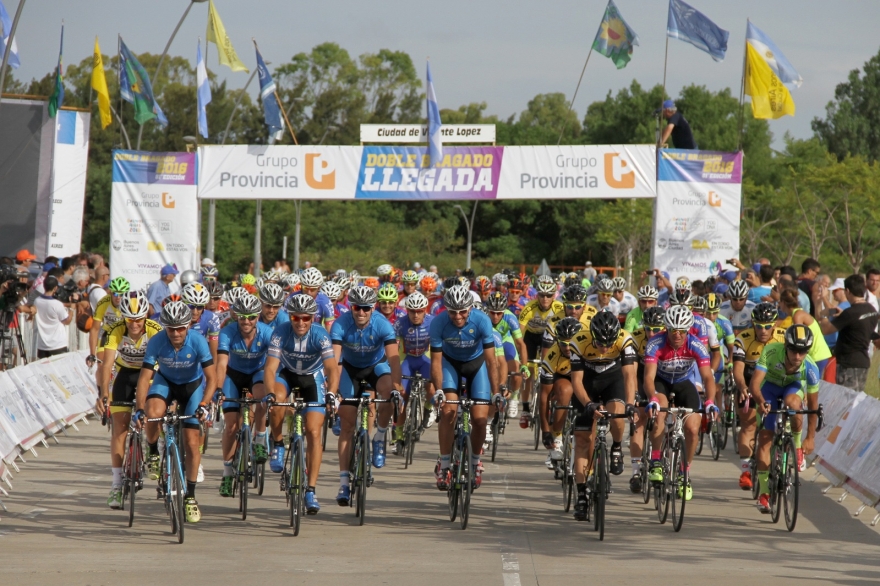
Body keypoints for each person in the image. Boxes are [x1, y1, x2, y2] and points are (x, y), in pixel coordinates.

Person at [134, 301, 216, 523]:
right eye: (171, 328)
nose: (176, 333)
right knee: (153, 412)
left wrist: (205, 404)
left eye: (181, 328)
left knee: (191, 442)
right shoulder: (157, 341)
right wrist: (139, 408)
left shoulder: (198, 341)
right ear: (165, 327)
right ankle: (152, 450)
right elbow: (144, 378)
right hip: (166, 382)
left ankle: (190, 496)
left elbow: (212, 378)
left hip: (192, 386)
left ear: (188, 325)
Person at [330, 285, 402, 505]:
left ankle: (379, 436)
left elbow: (394, 360)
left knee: (389, 393)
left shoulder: (382, 324)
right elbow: (334, 363)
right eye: (356, 308)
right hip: (350, 370)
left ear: (373, 308)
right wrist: (333, 392)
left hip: (376, 367)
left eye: (365, 308)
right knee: (347, 424)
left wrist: (398, 389)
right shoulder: (340, 324)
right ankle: (343, 483)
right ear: (350, 307)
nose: (360, 312)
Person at [643, 306, 718, 501]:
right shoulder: (655, 343)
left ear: (688, 330)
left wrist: (710, 402)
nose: (677, 334)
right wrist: (652, 396)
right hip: (661, 381)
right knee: (660, 408)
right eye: (673, 330)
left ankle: (684, 473)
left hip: (684, 382)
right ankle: (657, 460)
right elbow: (649, 378)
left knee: (693, 428)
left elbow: (708, 378)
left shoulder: (696, 345)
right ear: (666, 328)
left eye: (682, 331)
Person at [568, 312, 637, 521]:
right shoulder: (578, 342)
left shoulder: (625, 339)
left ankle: (616, 447)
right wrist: (588, 404)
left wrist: (632, 405)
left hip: (612, 380)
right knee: (582, 440)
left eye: (608, 343)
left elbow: (629, 376)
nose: (604, 348)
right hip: (587, 382)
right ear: (592, 335)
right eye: (599, 343)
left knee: (617, 414)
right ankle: (581, 495)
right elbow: (577, 381)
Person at [430, 285, 499, 491]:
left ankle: (475, 461)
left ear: (470, 308)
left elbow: (491, 361)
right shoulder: (439, 323)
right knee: (448, 411)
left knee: (479, 420)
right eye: (453, 311)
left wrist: (495, 393)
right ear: (446, 310)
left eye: (462, 311)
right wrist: (439, 389)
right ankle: (444, 465)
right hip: (450, 365)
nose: (458, 316)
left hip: (476, 366)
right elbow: (435, 362)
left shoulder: (482, 321)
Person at [99, 291, 162, 509]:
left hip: (150, 374)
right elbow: (106, 364)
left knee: (154, 416)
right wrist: (104, 393)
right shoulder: (116, 331)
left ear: (146, 316)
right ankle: (116, 485)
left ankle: (153, 451)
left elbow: (164, 363)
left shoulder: (155, 331)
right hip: (125, 374)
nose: (134, 324)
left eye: (138, 319)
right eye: (129, 319)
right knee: (119, 428)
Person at [750, 325, 821, 513]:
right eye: (793, 351)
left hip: (792, 388)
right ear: (786, 347)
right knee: (765, 437)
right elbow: (755, 383)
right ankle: (764, 492)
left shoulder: (811, 368)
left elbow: (813, 407)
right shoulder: (771, 351)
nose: (797, 356)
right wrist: (761, 402)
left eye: (802, 352)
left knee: (794, 404)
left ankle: (796, 445)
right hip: (769, 389)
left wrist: (810, 437)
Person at [731, 303, 786, 490]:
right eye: (759, 325)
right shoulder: (743, 339)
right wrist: (743, 387)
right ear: (753, 323)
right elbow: (738, 370)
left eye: (768, 326)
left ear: (775, 324)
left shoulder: (784, 337)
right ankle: (746, 470)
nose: (763, 330)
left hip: (775, 382)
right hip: (749, 380)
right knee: (748, 423)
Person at [816, 275, 880, 393]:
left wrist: (824, 315)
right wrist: (842, 315)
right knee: (857, 399)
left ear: (848, 291)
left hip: (848, 364)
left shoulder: (851, 313)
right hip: (863, 362)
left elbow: (826, 329)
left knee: (847, 400)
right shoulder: (872, 310)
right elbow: (861, 327)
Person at [392, 291, 436, 453]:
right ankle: (398, 433)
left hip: (425, 358)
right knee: (401, 396)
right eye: (412, 311)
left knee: (431, 388)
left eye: (419, 311)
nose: (416, 315)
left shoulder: (433, 322)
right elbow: (394, 349)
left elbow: (439, 348)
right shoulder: (400, 323)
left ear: (425, 310)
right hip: (408, 359)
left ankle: (428, 409)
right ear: (407, 310)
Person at [517, 275, 564, 426]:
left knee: (553, 370)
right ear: (537, 295)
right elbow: (520, 333)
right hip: (531, 336)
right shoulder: (529, 308)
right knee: (528, 372)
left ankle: (550, 401)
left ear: (554, 295)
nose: (545, 299)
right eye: (542, 295)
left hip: (550, 337)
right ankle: (525, 409)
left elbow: (565, 330)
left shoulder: (559, 308)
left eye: (549, 295)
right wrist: (520, 353)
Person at [34, 276, 73, 358]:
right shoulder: (57, 304)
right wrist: (72, 308)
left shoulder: (37, 301)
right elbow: (67, 321)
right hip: (57, 344)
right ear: (55, 288)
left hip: (42, 345)